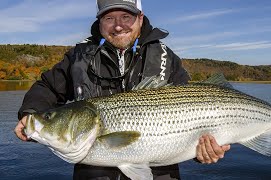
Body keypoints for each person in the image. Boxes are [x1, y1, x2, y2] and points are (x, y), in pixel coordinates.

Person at [14, 0, 230, 179]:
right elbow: (47, 87)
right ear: (100, 22)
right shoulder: (79, 56)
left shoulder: (166, 57)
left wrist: (202, 153)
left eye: (126, 17)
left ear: (140, 18)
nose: (118, 26)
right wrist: (31, 113)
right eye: (109, 18)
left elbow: (194, 115)